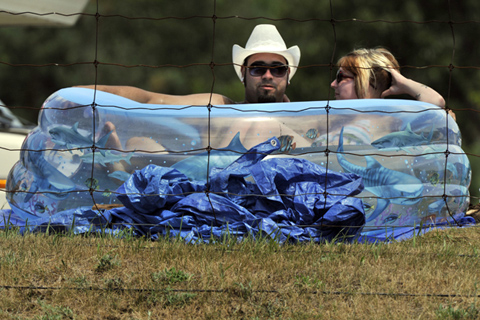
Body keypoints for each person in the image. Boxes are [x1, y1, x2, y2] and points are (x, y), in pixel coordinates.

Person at [79, 24, 300, 105]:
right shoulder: (220, 107)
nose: (268, 75)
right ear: (243, 72)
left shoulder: (305, 122)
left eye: (278, 69)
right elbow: (151, 99)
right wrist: (78, 94)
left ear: (288, 75)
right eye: (258, 68)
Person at [330, 47, 452, 117]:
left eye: (341, 76)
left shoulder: (396, 123)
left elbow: (437, 102)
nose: (333, 84)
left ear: (364, 81)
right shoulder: (324, 121)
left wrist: (404, 83)